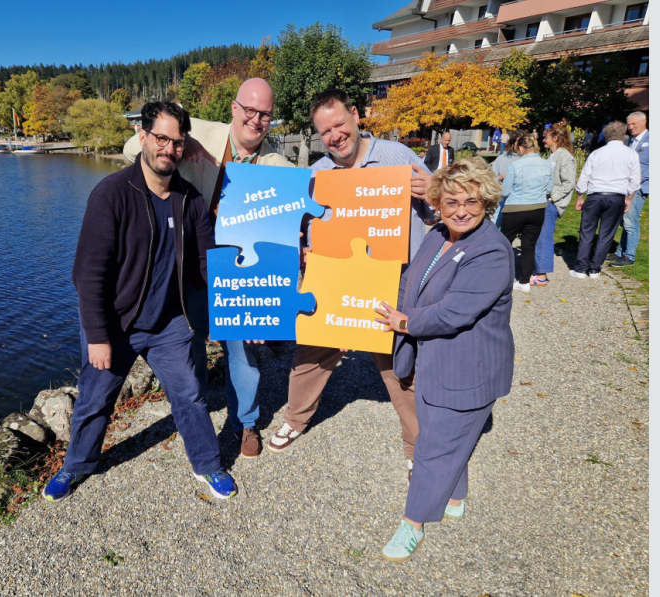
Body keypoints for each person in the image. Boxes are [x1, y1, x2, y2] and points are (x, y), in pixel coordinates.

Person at [42, 102, 238, 502]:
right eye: (161, 138)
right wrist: (97, 336)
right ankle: (76, 465)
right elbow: (87, 275)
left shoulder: (190, 200)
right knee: (95, 400)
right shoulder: (111, 194)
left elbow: (205, 264)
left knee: (190, 396)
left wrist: (241, 300)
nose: (169, 148)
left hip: (168, 325)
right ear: (143, 138)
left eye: (177, 142)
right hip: (116, 323)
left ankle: (208, 465)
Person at [268, 89, 434, 480]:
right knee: (309, 354)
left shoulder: (398, 157)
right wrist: (305, 247)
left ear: (356, 116)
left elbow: (437, 213)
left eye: (339, 124)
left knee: (401, 367)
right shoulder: (318, 175)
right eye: (324, 132)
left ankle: (417, 444)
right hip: (334, 281)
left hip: (394, 281)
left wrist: (432, 194)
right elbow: (303, 229)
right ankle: (295, 417)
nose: (334, 136)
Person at [122, 78, 293, 458]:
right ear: (234, 108)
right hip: (193, 263)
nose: (256, 120)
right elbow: (130, 147)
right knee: (190, 345)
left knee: (244, 352)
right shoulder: (198, 131)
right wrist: (185, 146)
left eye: (265, 114)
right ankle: (196, 415)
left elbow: (290, 228)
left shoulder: (278, 166)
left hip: (243, 272)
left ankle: (245, 423)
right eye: (250, 110)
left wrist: (271, 306)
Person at [372, 157, 514, 562]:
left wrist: (404, 322)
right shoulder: (437, 235)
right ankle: (455, 498)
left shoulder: (491, 250)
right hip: (434, 362)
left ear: (486, 200)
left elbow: (454, 312)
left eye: (473, 200)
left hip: (467, 368)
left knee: (433, 447)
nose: (462, 210)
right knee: (444, 435)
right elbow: (409, 282)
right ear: (436, 202)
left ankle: (412, 524)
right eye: (452, 201)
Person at [571, 121, 641, 279]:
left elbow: (584, 176)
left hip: (596, 195)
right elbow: (635, 181)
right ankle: (595, 268)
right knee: (606, 234)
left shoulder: (597, 153)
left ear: (606, 135)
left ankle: (581, 268)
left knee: (587, 232)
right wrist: (629, 198)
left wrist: (580, 196)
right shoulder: (631, 154)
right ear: (623, 136)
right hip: (616, 196)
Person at [500, 132, 553, 292]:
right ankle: (524, 282)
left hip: (515, 208)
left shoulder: (515, 166)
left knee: (503, 244)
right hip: (537, 209)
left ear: (522, 147)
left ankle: (499, 278)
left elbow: (506, 191)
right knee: (529, 246)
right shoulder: (546, 165)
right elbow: (549, 189)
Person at [531, 120, 577, 286]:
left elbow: (568, 183)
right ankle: (537, 270)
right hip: (543, 201)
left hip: (551, 204)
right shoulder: (552, 155)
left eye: (546, 137)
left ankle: (541, 276)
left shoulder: (565, 157)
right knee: (538, 236)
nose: (543, 140)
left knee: (544, 237)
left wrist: (551, 198)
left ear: (556, 138)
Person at [608, 112, 649, 267]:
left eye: (633, 124)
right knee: (624, 220)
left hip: (639, 187)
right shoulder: (632, 141)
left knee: (630, 221)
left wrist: (636, 182)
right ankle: (620, 251)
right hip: (627, 186)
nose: (630, 127)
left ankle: (629, 255)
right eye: (629, 125)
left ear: (643, 122)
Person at [489, 130, 522, 225]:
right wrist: (500, 177)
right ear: (512, 143)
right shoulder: (501, 158)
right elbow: (491, 180)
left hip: (520, 201)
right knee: (494, 227)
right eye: (518, 142)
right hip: (501, 199)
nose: (521, 145)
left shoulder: (527, 160)